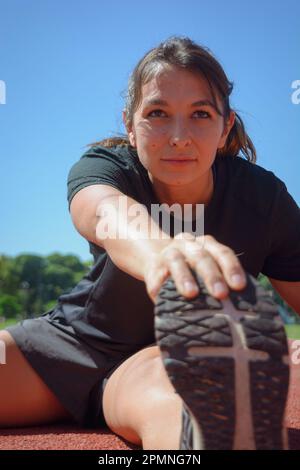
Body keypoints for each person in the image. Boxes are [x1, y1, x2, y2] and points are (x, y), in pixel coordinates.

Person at [1, 36, 300, 450]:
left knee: (189, 414)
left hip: (158, 364)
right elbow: (106, 213)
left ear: (225, 126)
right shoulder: (106, 167)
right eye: (157, 113)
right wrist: (164, 253)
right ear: (130, 125)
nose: (178, 136)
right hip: (66, 346)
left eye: (200, 113)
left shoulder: (263, 200)